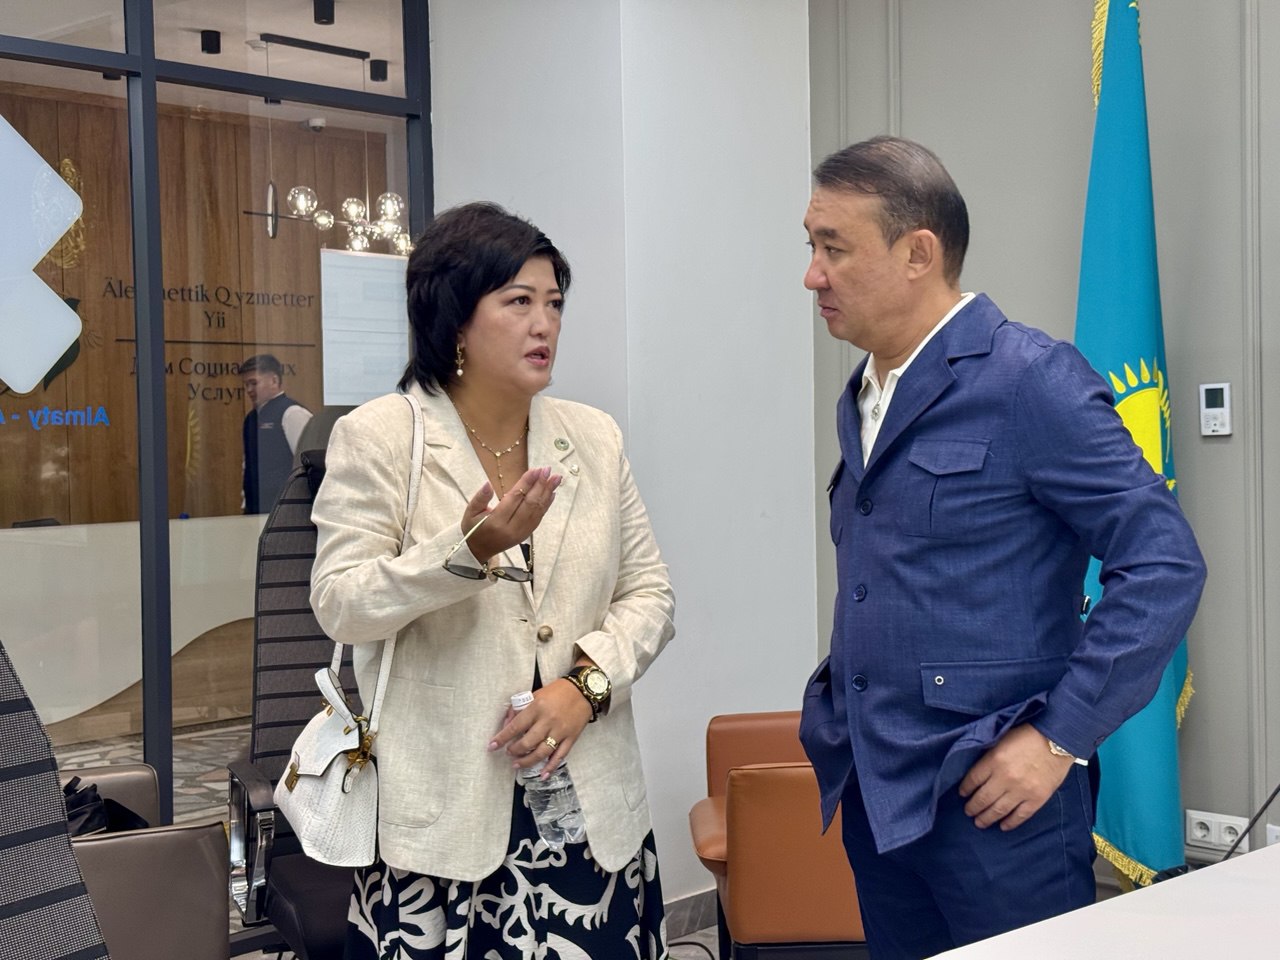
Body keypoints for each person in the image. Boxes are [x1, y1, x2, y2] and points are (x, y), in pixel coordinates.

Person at [798, 136, 1206, 959]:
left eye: (834, 248)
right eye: (811, 246)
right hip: (878, 793)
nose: (813, 275)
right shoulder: (868, 391)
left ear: (918, 253)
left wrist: (1061, 737)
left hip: (997, 808)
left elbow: (1164, 564)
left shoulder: (1029, 379)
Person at [309, 202, 675, 958]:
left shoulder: (593, 437)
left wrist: (585, 688)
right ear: (455, 320)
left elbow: (650, 595)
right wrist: (467, 552)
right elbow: (341, 603)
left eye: (555, 303)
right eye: (518, 302)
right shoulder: (381, 437)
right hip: (442, 829)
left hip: (587, 818)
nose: (545, 324)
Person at [240, 353, 313, 514]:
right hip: (256, 508)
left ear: (274, 380)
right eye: (246, 385)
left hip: (287, 508)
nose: (249, 390)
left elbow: (308, 464)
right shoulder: (251, 419)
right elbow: (247, 465)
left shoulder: (292, 413)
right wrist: (245, 502)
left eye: (254, 383)